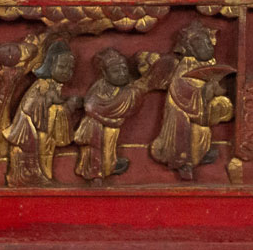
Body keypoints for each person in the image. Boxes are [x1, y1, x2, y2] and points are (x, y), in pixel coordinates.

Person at [149, 21, 234, 180]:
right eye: (202, 46)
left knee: (219, 110)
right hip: (183, 111)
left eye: (208, 44)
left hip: (200, 109)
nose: (208, 48)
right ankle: (183, 163)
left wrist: (216, 88)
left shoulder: (208, 63)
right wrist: (205, 91)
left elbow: (216, 89)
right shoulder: (185, 66)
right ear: (191, 49)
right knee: (187, 137)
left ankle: (202, 153)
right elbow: (182, 90)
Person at [74, 48, 161, 185]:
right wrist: (107, 117)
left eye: (124, 69)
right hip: (95, 126)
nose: (122, 74)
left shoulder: (130, 89)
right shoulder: (100, 87)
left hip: (112, 125)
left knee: (110, 144)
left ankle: (109, 163)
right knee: (95, 150)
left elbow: (134, 98)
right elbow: (90, 106)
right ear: (104, 74)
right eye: (115, 71)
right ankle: (96, 173)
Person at [3, 40, 80, 187]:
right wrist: (70, 105)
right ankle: (41, 176)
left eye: (70, 68)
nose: (66, 71)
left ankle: (46, 176)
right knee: (45, 144)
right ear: (50, 65)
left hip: (41, 128)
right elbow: (54, 107)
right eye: (62, 67)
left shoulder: (52, 85)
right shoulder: (44, 86)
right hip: (31, 130)